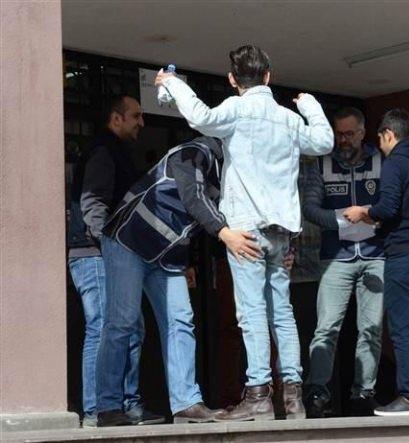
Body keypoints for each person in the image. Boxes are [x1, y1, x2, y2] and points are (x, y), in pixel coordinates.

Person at [155, 45, 334, 421]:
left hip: (246, 227)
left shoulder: (236, 109)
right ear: (268, 76)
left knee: (252, 312)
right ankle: (293, 398)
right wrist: (310, 105)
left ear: (233, 80)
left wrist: (173, 83)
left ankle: (258, 395)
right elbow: (323, 143)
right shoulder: (288, 119)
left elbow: (200, 117)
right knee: (281, 312)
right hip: (282, 230)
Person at [96, 136, 260, 426]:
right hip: (128, 242)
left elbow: (193, 221)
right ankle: (108, 407)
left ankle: (186, 404)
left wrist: (189, 262)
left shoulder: (228, 174)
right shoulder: (192, 153)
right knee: (121, 323)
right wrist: (224, 233)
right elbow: (192, 197)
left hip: (166, 257)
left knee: (181, 321)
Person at [344, 108, 409, 417]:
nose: (380, 147)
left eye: (380, 140)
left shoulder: (395, 164)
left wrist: (364, 213)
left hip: (404, 255)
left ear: (389, 134)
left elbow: (388, 208)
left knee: (403, 329)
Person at [67, 95, 163, 427]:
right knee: (103, 328)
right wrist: (110, 247)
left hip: (106, 253)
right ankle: (97, 410)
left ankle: (126, 405)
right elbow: (93, 206)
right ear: (116, 118)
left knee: (131, 327)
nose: (141, 123)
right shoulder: (103, 151)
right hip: (94, 254)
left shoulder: (116, 151)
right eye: (136, 116)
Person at [302, 107, 384, 417]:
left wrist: (370, 214)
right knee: (326, 329)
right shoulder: (322, 163)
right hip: (335, 256)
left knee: (371, 329)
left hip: (376, 255)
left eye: (350, 134)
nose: (343, 140)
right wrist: (341, 220)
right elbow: (310, 209)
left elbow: (393, 203)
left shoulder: (382, 162)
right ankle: (317, 394)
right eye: (339, 134)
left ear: (363, 132)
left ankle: (363, 393)